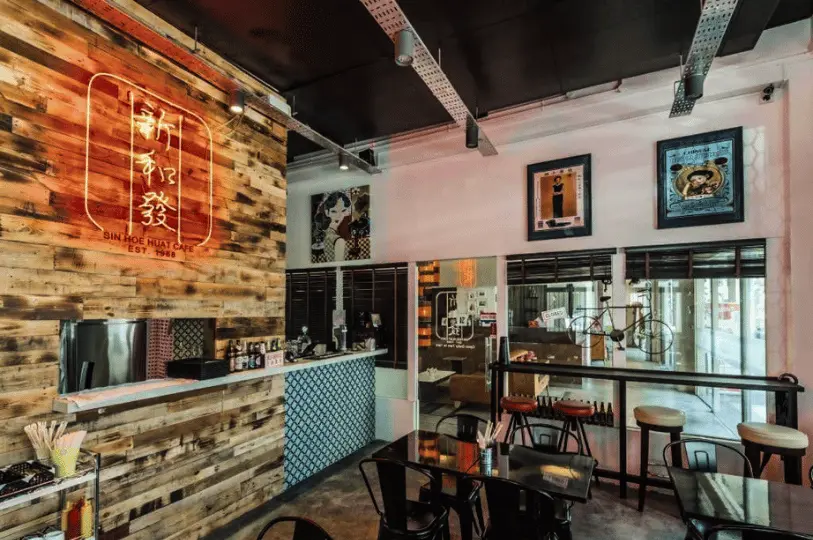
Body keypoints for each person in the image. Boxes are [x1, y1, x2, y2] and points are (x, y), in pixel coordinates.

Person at [314, 191, 352, 262]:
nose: (339, 216)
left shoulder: (325, 233)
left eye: (343, 210)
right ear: (327, 212)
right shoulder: (339, 240)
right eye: (334, 211)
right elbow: (338, 268)